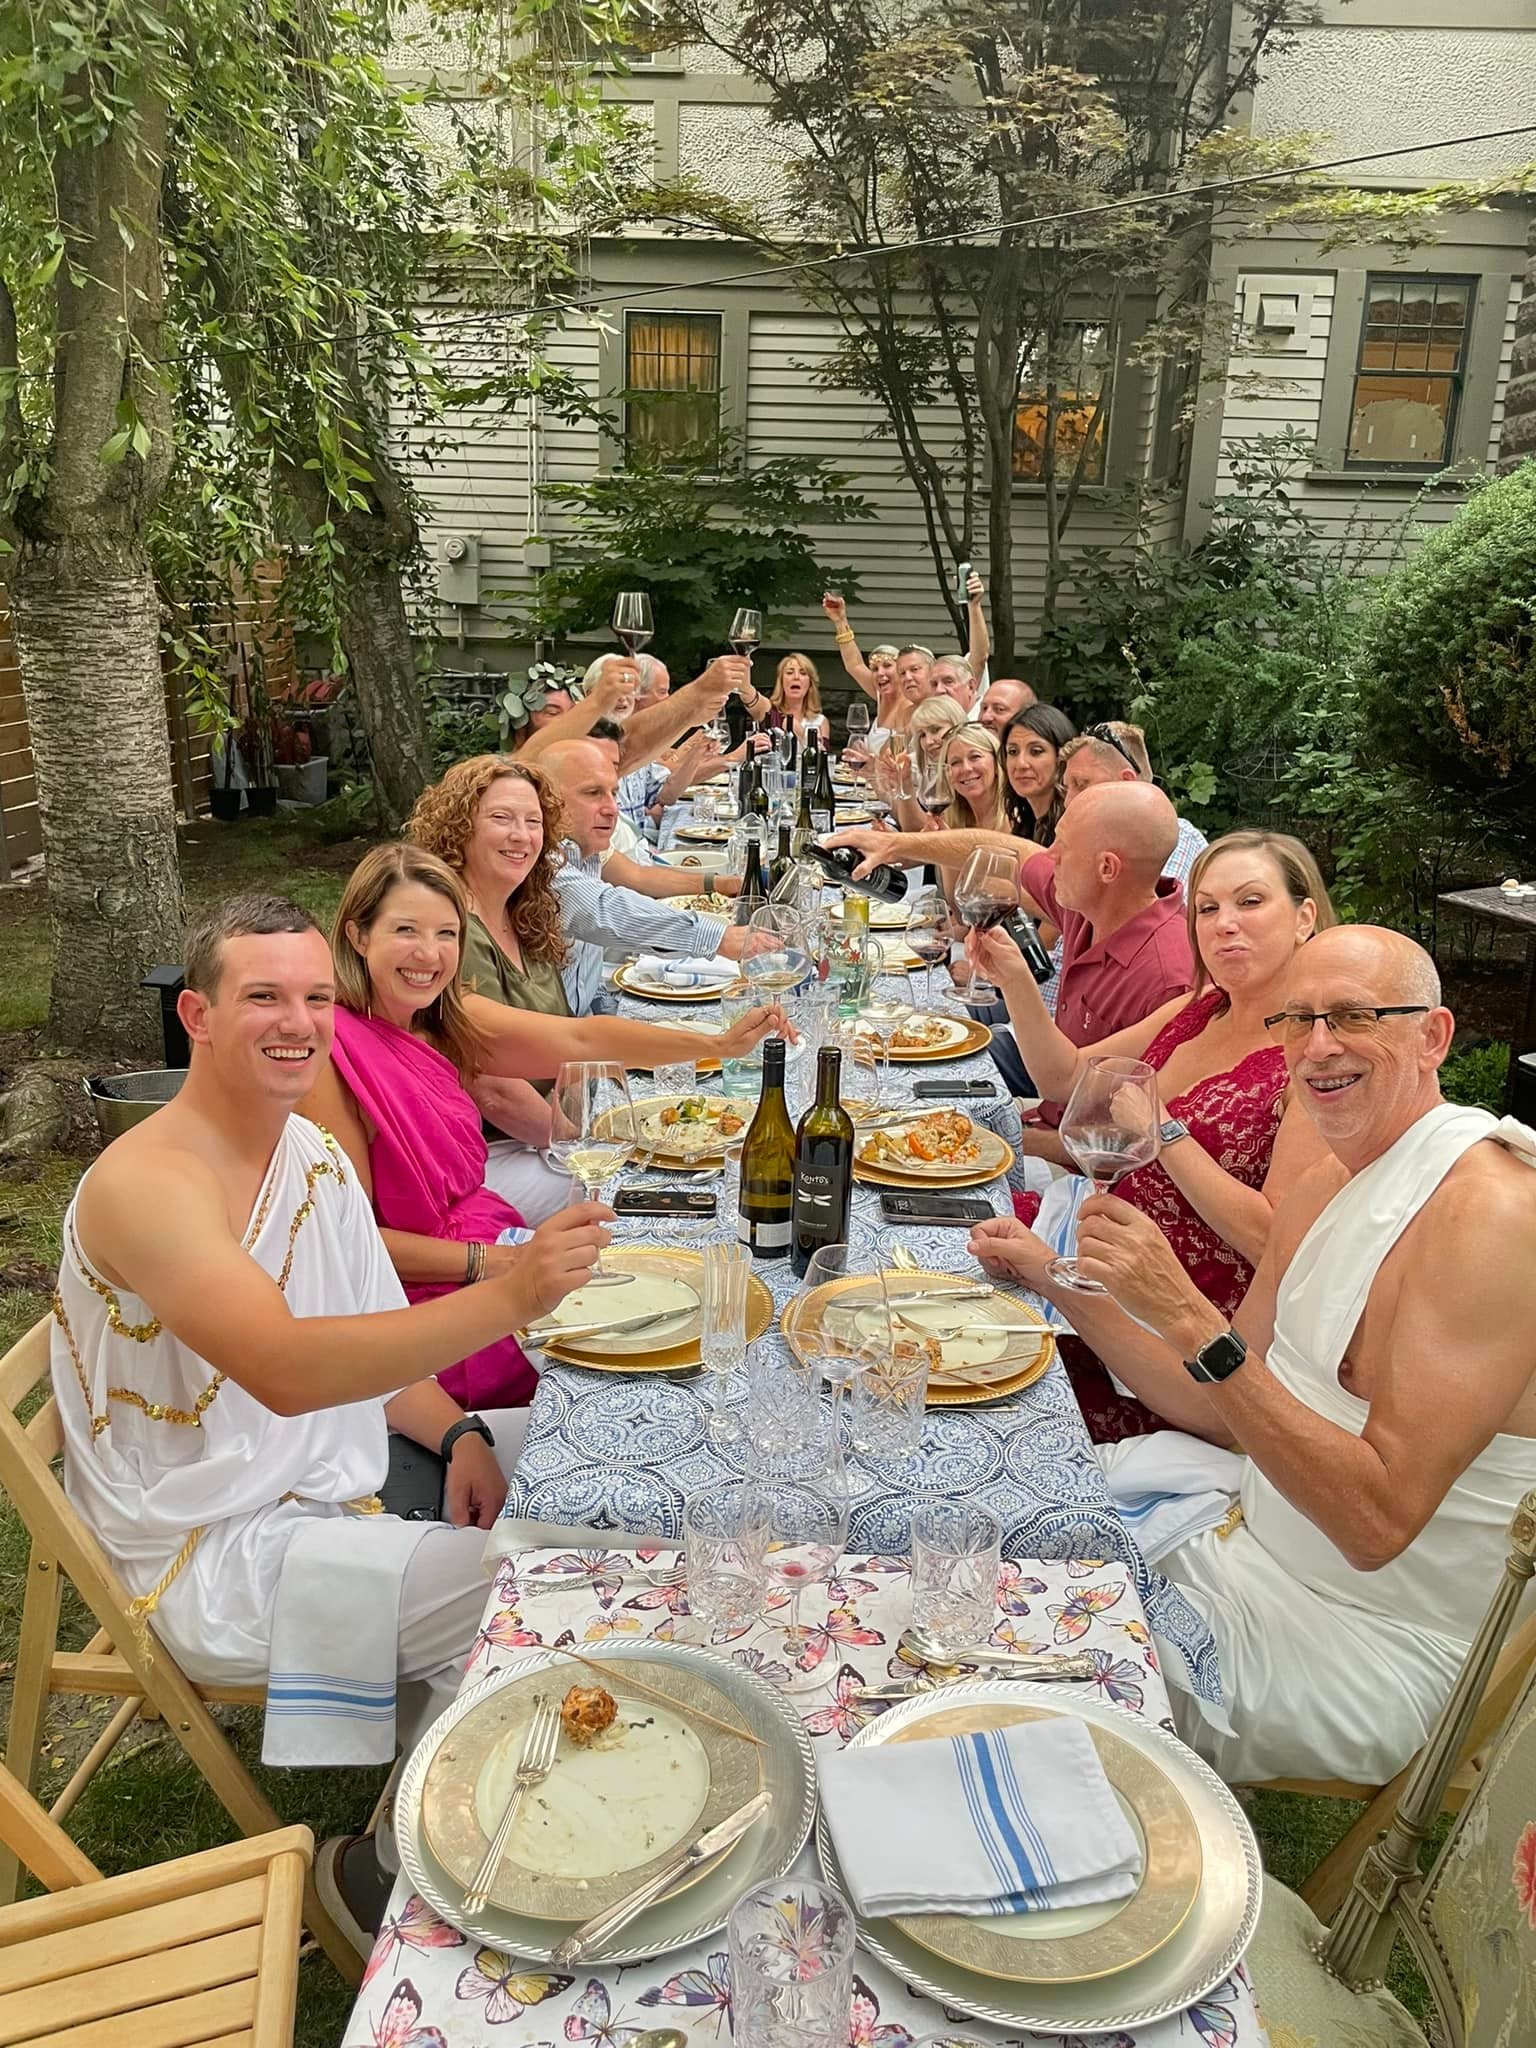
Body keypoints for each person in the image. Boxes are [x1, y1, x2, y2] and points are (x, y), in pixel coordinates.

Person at [53, 890, 613, 1944]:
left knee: (604, 1473)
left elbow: (354, 1332)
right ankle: (377, 1874)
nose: (298, 1020)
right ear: (199, 1016)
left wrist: (455, 1431)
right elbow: (287, 1369)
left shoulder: (304, 1151)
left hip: (336, 1477)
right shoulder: (150, 1184)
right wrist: (507, 1295)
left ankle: (456, 1748)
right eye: (262, 994)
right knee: (528, 1595)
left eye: (314, 994)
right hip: (213, 1543)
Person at [1062, 925, 1536, 1787]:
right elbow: (1222, 1411)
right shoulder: (1330, 1181)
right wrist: (1058, 1283)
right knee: (994, 1523)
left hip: (1371, 1633)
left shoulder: (1492, 1219)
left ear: (1433, 1036)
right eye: (1298, 1020)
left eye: (1354, 1016)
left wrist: (1191, 1319)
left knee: (1038, 1651)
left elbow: (1375, 1527)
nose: (1318, 1048)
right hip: (1249, 1528)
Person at [296, 843, 786, 1410]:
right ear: (358, 936)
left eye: (447, 934)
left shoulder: (442, 1017)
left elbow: (582, 1040)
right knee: (630, 1371)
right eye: (406, 930)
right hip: (419, 1309)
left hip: (492, 1246)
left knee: (687, 1312)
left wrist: (719, 1046)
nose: (428, 955)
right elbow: (347, 1242)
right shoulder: (332, 1055)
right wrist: (502, 1264)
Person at [966, 831, 1337, 1441]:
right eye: (1208, 908)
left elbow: (1274, 1240)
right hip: (1094, 1258)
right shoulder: (1202, 1008)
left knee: (983, 1410)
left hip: (1175, 1333)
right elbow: (1066, 1077)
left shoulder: (1314, 1060)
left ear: (1304, 917)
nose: (1224, 925)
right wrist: (1015, 981)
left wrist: (1164, 1129)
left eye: (1250, 902)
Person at [986, 782, 1196, 1122]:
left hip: (1080, 1163)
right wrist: (896, 846)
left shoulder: (1169, 979)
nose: (1048, 854)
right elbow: (1012, 858)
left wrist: (1016, 1140)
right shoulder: (1088, 905)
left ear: (1107, 869)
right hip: (1048, 1115)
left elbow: (1125, 1139)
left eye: (1062, 846)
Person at [543, 739, 765, 1014]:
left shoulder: (584, 850)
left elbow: (584, 983)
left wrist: (717, 884)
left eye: (613, 793)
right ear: (548, 801)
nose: (612, 808)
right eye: (592, 793)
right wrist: (720, 938)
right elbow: (608, 911)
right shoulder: (541, 863)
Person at [1060, 723, 1207, 889]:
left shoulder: (1178, 841)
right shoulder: (1095, 844)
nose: (1068, 802)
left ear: (1127, 782)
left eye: (1081, 784)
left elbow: (1145, 911)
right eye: (1066, 790)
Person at [1001, 703, 1076, 848]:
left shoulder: (1072, 826)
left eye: (1036, 751)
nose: (1021, 764)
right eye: (1013, 752)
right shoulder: (1026, 824)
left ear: (1061, 756)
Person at [760, 652, 830, 744]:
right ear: (781, 682)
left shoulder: (820, 721)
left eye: (803, 673)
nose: (796, 677)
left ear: (810, 684)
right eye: (789, 672)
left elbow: (823, 755)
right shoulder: (770, 713)